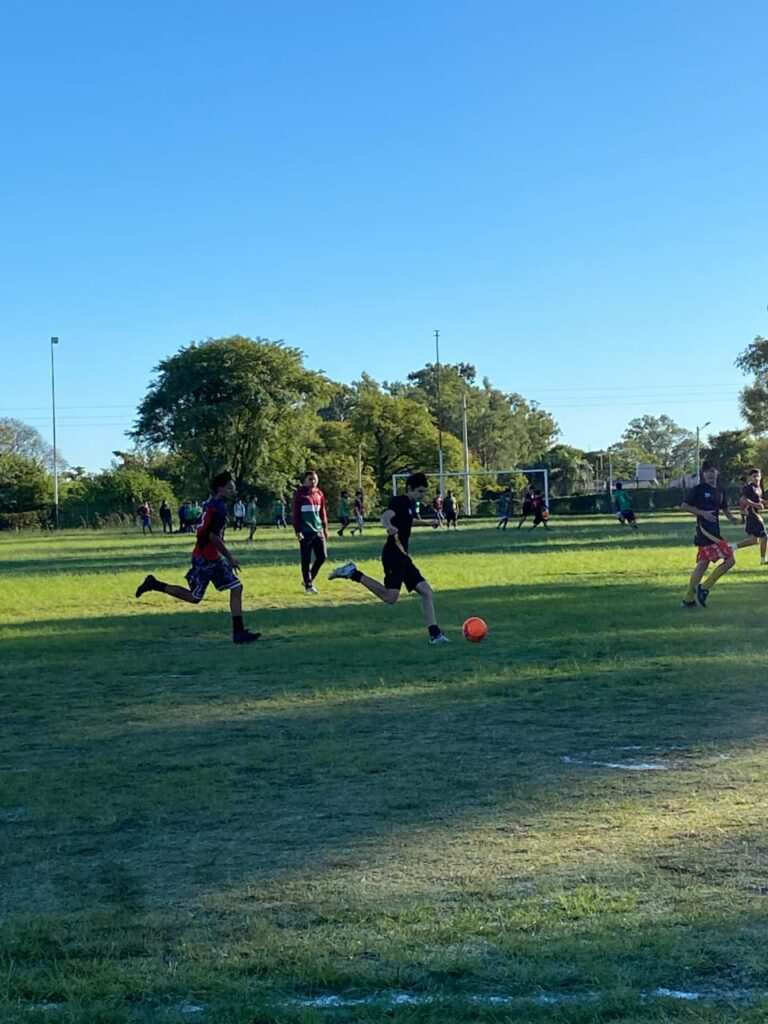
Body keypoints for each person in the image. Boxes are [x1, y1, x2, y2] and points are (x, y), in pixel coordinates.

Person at [135, 471, 261, 644]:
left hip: (213, 558)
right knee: (194, 597)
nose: (233, 491)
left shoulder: (212, 504)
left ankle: (238, 632)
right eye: (230, 488)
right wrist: (229, 557)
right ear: (220, 489)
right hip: (204, 558)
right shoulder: (218, 508)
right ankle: (154, 584)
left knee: (236, 587)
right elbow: (212, 536)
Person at [328, 472, 449, 644]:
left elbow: (408, 521)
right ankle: (353, 573)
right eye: (419, 491)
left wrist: (428, 524)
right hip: (393, 555)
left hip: (403, 556)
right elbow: (385, 517)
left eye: (423, 492)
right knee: (390, 597)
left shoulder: (409, 505)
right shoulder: (398, 501)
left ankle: (435, 634)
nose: (422, 495)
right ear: (410, 488)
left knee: (426, 591)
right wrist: (389, 527)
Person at [680, 461, 740, 609]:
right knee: (730, 560)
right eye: (707, 471)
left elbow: (724, 507)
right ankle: (704, 588)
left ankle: (688, 600)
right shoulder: (698, 489)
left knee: (702, 564)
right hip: (706, 531)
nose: (710, 474)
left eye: (712, 471)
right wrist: (702, 513)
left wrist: (732, 518)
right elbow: (684, 506)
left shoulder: (720, 489)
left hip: (715, 530)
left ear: (717, 472)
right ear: (703, 474)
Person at [292, 470, 329, 594]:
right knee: (306, 558)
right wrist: (297, 530)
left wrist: (325, 528)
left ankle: (310, 577)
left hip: (318, 530)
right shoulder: (300, 494)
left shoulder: (319, 493)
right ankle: (308, 585)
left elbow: (322, 512)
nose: (313, 481)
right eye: (310, 479)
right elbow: (296, 513)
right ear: (305, 481)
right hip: (305, 531)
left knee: (322, 556)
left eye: (315, 479)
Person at [734, 467, 768, 564]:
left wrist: (764, 502)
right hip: (752, 515)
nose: (756, 478)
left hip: (756, 515)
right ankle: (763, 560)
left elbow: (758, 499)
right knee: (764, 536)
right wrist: (755, 505)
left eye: (758, 476)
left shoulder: (759, 488)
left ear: (761, 476)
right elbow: (743, 499)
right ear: (750, 478)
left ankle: (731, 547)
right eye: (754, 476)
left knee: (754, 540)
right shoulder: (749, 488)